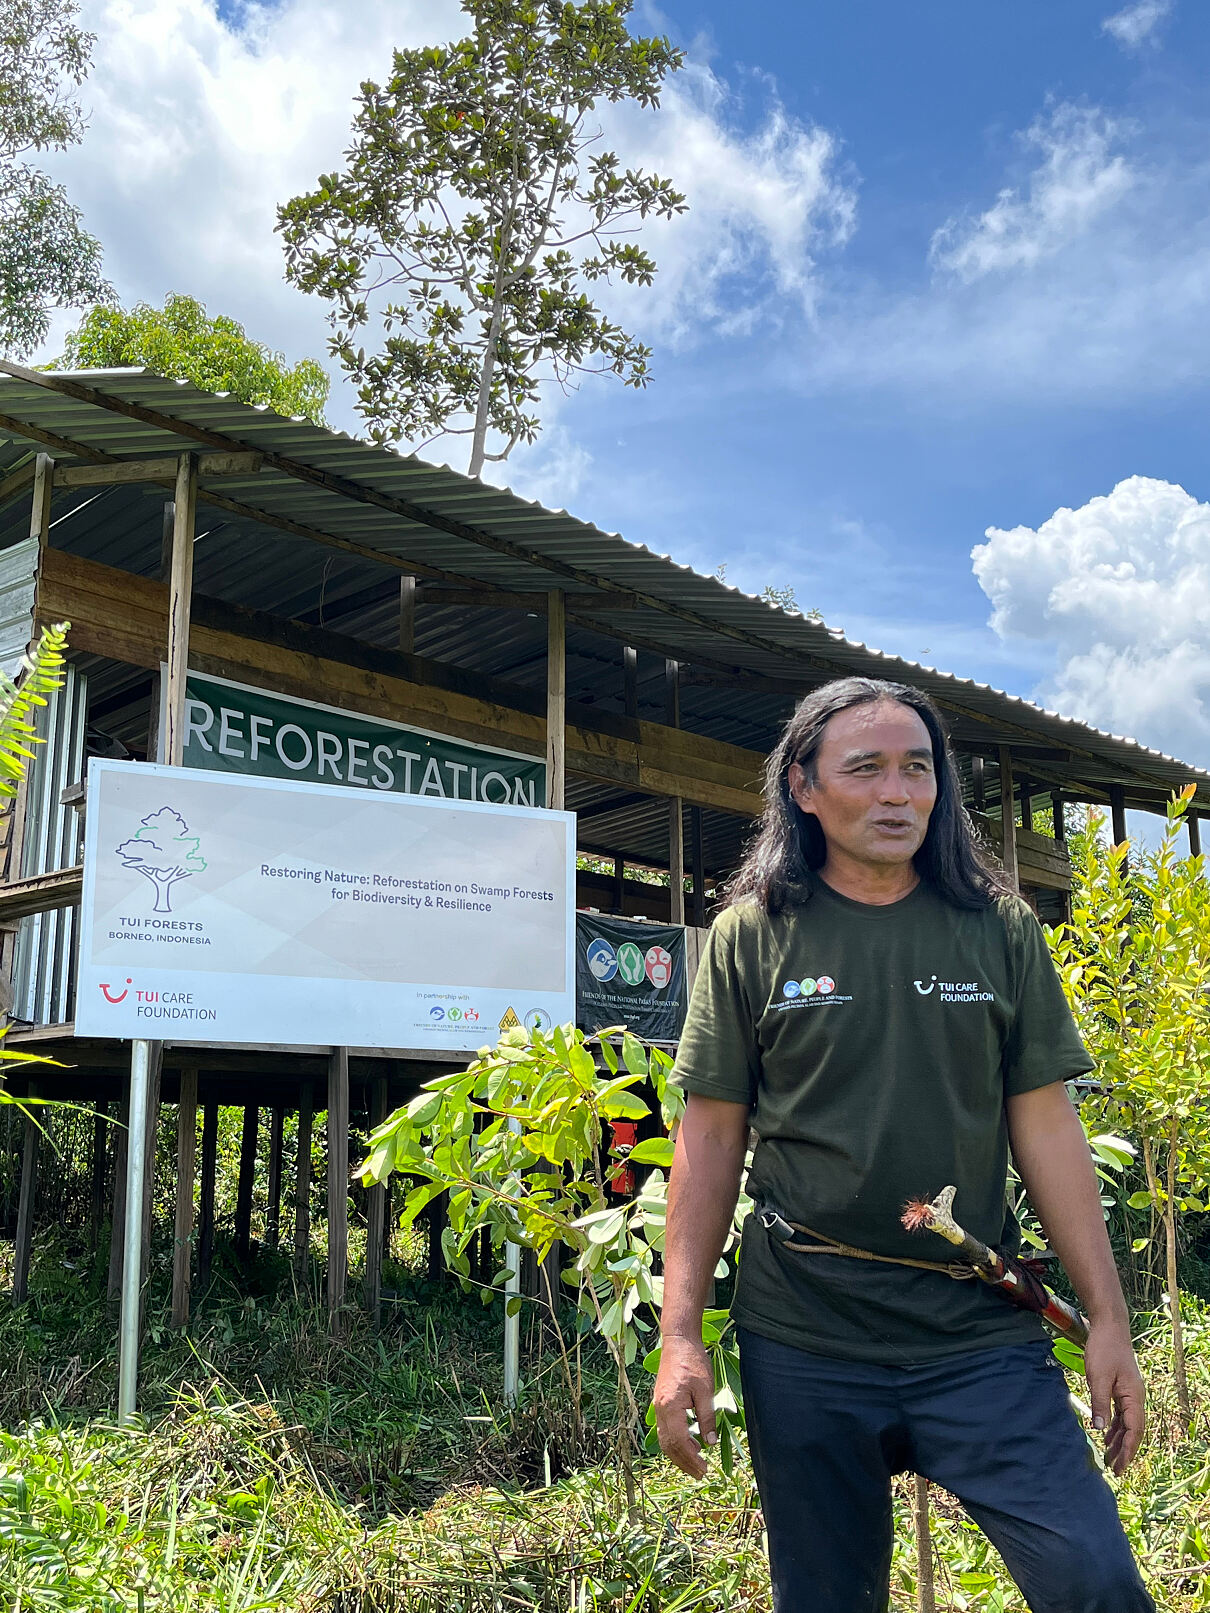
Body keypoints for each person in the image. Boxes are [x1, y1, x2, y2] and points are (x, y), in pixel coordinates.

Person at [653, 676, 1154, 1613]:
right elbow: (711, 1136)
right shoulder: (750, 937)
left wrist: (1107, 1317)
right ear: (803, 787)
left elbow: (1046, 1124)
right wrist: (682, 1330)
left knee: (1096, 1582)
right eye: (867, 769)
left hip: (978, 1332)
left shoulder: (997, 931)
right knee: (830, 1598)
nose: (898, 793)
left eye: (918, 769)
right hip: (805, 1334)